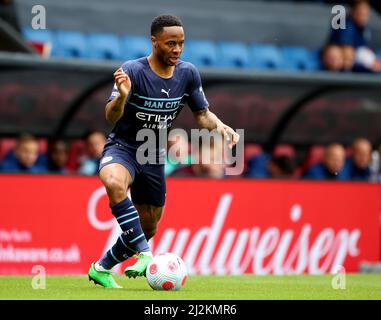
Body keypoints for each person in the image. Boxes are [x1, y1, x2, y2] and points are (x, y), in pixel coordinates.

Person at [87, 14, 240, 288]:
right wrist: (122, 96)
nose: (177, 49)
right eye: (171, 43)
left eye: (181, 43)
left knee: (148, 227)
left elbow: (202, 115)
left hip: (153, 154)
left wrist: (220, 126)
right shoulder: (132, 71)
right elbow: (111, 116)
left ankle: (101, 268)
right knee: (112, 181)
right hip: (123, 147)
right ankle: (145, 255)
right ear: (154, 41)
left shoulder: (188, 73)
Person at [329, 0, 381, 73]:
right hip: (345, 67)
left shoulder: (363, 28)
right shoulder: (347, 26)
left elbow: (364, 48)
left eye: (366, 14)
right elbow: (347, 56)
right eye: (361, 13)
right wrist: (370, 64)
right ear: (353, 12)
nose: (364, 17)